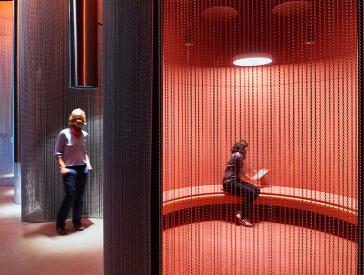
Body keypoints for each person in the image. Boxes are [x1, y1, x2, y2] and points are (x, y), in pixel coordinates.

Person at [54, 108, 92, 235]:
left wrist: (88, 164)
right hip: (69, 170)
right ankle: (60, 224)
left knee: (79, 197)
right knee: (70, 195)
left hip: (82, 168)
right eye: (76, 118)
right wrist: (63, 166)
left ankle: (76, 222)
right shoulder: (63, 134)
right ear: (71, 120)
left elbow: (84, 151)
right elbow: (58, 153)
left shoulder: (84, 134)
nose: (79, 121)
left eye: (81, 119)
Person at [222, 139, 260, 227]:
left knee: (256, 190)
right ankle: (243, 217)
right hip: (229, 183)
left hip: (235, 181)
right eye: (246, 147)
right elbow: (243, 172)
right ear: (242, 147)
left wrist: (251, 178)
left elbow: (241, 171)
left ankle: (240, 212)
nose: (247, 149)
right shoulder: (238, 156)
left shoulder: (237, 156)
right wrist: (252, 178)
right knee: (252, 192)